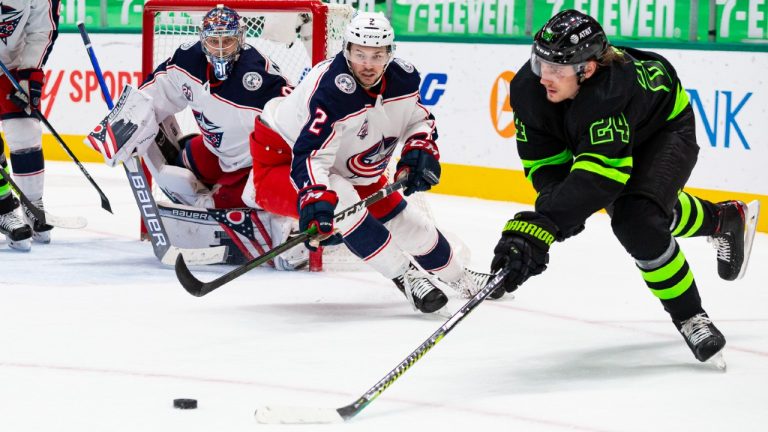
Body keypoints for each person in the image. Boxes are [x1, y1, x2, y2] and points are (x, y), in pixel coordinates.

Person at [491, 10, 759, 365]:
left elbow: (598, 182)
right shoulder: (529, 88)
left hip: (662, 130)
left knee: (637, 220)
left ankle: (690, 315)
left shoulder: (609, 93)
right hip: (608, 127)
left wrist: (545, 225)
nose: (544, 77)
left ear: (587, 69)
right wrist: (542, 226)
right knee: (645, 210)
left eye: (557, 69)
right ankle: (724, 219)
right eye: (540, 63)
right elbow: (546, 167)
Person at [243, 11, 491, 314]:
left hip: (346, 163)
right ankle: (407, 277)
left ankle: (461, 278)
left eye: (377, 55)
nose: (368, 64)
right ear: (346, 50)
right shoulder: (332, 91)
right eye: (360, 54)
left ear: (390, 53)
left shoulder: (403, 78)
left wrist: (418, 148)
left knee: (405, 221)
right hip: (282, 164)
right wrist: (317, 199)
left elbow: (419, 120)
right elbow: (310, 156)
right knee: (339, 198)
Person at [0, 0, 60, 250]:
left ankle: (32, 204)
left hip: (10, 64)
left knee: (26, 132)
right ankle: (4, 209)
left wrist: (29, 72)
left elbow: (41, 29)